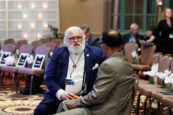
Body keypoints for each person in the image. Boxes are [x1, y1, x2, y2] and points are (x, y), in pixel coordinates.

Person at [55, 30, 135, 115]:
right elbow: (103, 93)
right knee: (64, 104)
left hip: (103, 111)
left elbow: (96, 97)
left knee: (68, 104)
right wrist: (81, 99)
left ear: (105, 45)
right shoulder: (126, 63)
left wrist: (76, 102)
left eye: (100, 43)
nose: (100, 46)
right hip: (115, 107)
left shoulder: (109, 65)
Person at [34, 26, 106, 115]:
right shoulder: (58, 54)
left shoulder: (95, 53)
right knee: (40, 111)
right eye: (72, 38)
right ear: (65, 41)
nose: (76, 40)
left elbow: (113, 60)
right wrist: (61, 93)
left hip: (83, 98)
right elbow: (49, 78)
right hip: (60, 96)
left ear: (83, 39)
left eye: (79, 37)